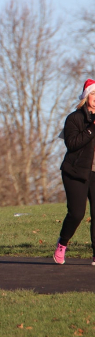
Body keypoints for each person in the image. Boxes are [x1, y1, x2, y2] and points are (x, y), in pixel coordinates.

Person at [54, 79, 95, 266]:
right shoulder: (74, 118)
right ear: (86, 97)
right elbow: (71, 144)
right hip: (75, 172)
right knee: (77, 213)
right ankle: (62, 244)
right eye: (93, 94)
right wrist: (91, 129)